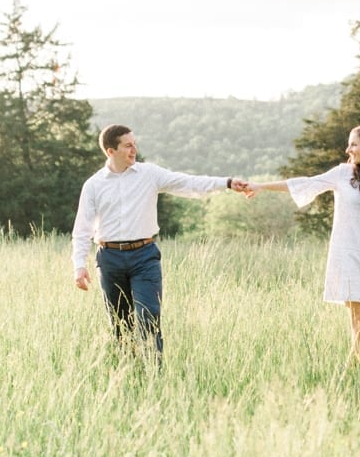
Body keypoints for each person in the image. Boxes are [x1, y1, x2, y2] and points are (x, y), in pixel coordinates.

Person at [72, 124, 250, 363]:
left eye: (135, 143)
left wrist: (227, 183)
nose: (134, 149)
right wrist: (79, 266)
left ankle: (153, 373)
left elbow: (188, 182)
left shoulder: (149, 174)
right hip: (110, 259)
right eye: (128, 145)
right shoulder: (94, 185)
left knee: (149, 315)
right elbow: (82, 229)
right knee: (119, 323)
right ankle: (128, 374)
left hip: (144, 257)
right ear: (110, 151)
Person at [246, 123, 360, 364]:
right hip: (347, 255)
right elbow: (305, 183)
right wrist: (261, 186)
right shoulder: (342, 174)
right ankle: (357, 372)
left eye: (354, 144)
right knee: (357, 326)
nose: (348, 149)